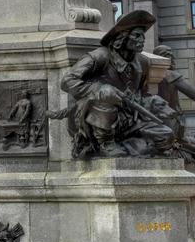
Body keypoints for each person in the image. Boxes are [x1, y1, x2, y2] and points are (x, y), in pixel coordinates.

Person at [55, 10, 178, 158]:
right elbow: (67, 81)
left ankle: (126, 148)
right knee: (106, 98)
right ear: (123, 37)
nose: (142, 39)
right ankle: (105, 144)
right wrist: (98, 89)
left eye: (143, 35)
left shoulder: (143, 62)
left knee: (167, 136)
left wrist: (150, 102)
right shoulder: (99, 56)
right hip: (97, 118)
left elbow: (141, 92)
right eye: (137, 35)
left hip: (130, 118)